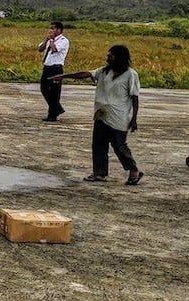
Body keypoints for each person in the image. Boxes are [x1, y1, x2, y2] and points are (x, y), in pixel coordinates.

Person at [53, 45, 144, 185]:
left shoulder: (131, 75)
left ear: (119, 58)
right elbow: (84, 74)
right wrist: (64, 76)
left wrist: (134, 119)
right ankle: (99, 173)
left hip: (118, 117)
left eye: (111, 56)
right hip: (101, 115)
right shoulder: (103, 71)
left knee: (120, 146)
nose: (108, 58)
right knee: (98, 145)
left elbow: (135, 98)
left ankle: (133, 171)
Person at [38, 21, 70, 122]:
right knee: (44, 88)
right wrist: (47, 39)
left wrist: (52, 41)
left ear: (59, 30)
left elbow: (55, 49)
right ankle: (57, 109)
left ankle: (52, 114)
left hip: (56, 68)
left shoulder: (63, 41)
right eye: (50, 28)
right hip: (47, 67)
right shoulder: (49, 40)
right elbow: (40, 49)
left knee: (54, 92)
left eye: (53, 28)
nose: (51, 30)